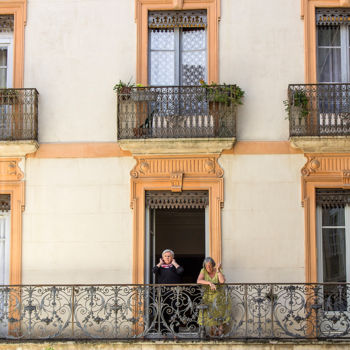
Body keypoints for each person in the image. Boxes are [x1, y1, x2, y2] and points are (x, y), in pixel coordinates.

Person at [152, 249, 184, 335]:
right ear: (162, 258)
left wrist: (174, 263)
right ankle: (164, 332)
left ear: (172, 257)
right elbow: (154, 270)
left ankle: (175, 332)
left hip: (174, 293)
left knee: (175, 312)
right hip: (162, 293)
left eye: (169, 256)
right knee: (163, 312)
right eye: (165, 256)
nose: (167, 257)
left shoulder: (175, 266)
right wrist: (160, 263)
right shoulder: (160, 267)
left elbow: (181, 271)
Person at [197, 257, 229, 336]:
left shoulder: (218, 270)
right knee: (210, 316)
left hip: (219, 297)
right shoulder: (203, 270)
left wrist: (218, 271)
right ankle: (213, 335)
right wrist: (209, 283)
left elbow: (222, 281)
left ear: (213, 265)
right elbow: (198, 280)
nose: (208, 267)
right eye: (206, 266)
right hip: (208, 297)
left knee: (220, 315)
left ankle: (220, 335)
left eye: (210, 265)